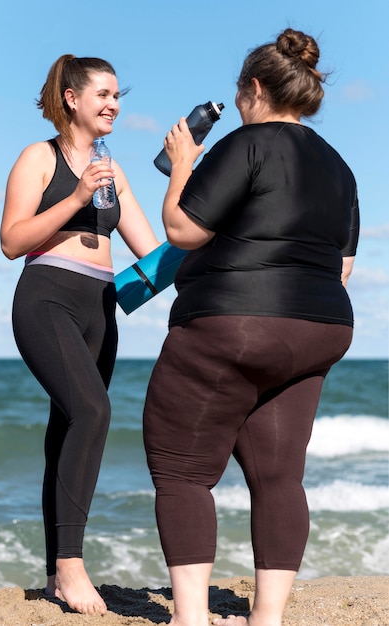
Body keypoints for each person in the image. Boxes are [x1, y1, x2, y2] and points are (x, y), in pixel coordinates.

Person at [143, 28, 359, 626]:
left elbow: (184, 231)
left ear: (255, 89)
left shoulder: (247, 142)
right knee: (280, 476)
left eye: (241, 95)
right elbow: (341, 268)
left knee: (182, 468)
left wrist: (182, 166)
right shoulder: (340, 168)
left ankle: (190, 617)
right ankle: (268, 619)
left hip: (231, 322)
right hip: (319, 328)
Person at [0, 55, 159, 615]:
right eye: (104, 94)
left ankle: (52, 571)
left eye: (119, 96)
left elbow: (153, 253)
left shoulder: (114, 170)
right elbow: (12, 241)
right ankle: (71, 566)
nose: (115, 104)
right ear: (72, 98)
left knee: (67, 427)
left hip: (101, 306)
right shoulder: (37, 157)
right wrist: (73, 197)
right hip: (46, 297)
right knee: (93, 414)